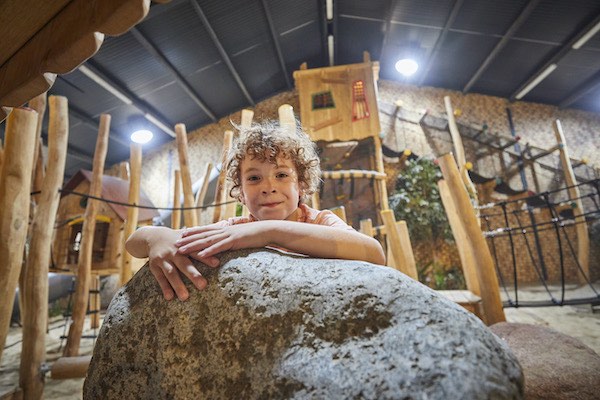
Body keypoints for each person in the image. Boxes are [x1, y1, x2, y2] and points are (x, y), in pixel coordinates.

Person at [126, 120, 385, 301]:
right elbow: (133, 243)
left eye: (281, 174)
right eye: (253, 178)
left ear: (302, 183)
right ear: (240, 190)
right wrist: (155, 237)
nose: (268, 187)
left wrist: (269, 232)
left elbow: (374, 253)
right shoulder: (235, 230)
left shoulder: (319, 221)